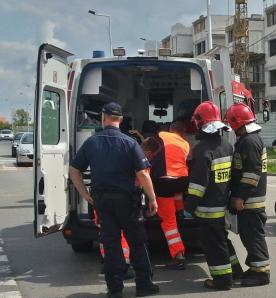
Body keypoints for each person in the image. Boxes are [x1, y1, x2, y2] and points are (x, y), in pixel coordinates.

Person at [69, 102, 159, 298]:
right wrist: (152, 199)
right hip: (127, 201)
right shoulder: (130, 143)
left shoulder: (92, 143)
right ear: (121, 119)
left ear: (103, 117)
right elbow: (143, 174)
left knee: (111, 244)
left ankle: (115, 289)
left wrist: (84, 194)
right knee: (137, 242)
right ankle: (144, 285)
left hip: (102, 202)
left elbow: (74, 170)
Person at [184, 101, 243, 290]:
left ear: (201, 123)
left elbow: (198, 185)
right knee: (222, 240)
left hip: (207, 209)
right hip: (221, 204)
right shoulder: (226, 145)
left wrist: (188, 207)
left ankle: (222, 280)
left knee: (213, 246)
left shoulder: (202, 150)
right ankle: (236, 271)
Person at [224, 103, 271, 287]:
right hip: (251, 200)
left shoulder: (249, 142)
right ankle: (255, 267)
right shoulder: (251, 139)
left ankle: (261, 274)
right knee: (249, 237)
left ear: (238, 123)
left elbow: (252, 174)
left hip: (250, 201)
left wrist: (240, 197)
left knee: (253, 238)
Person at [149, 121, 190, 269]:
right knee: (177, 192)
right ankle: (180, 210)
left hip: (165, 181)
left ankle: (178, 256)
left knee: (168, 221)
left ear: (170, 130)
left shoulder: (161, 135)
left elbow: (150, 154)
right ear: (182, 133)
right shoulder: (185, 143)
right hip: (182, 181)